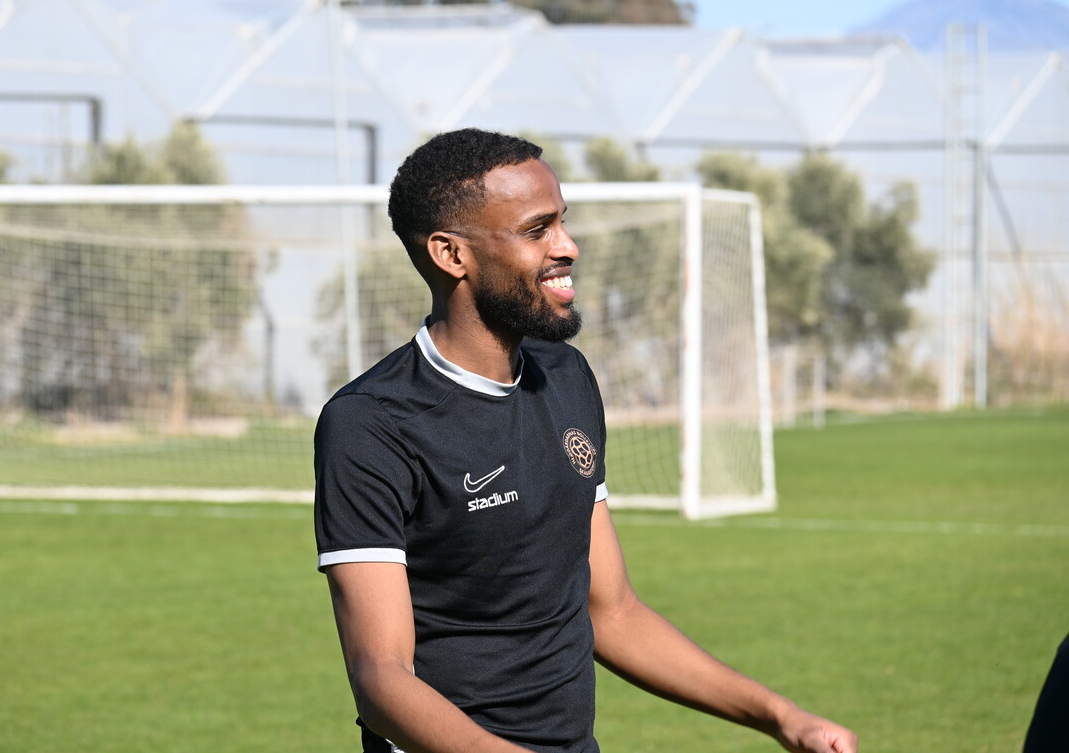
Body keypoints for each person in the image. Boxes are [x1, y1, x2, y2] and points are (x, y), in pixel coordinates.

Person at [314, 128, 857, 753]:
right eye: (536, 230)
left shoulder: (565, 376)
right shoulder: (370, 423)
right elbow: (381, 677)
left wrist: (783, 717)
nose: (567, 246)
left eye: (562, 222)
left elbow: (612, 611)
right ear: (451, 254)